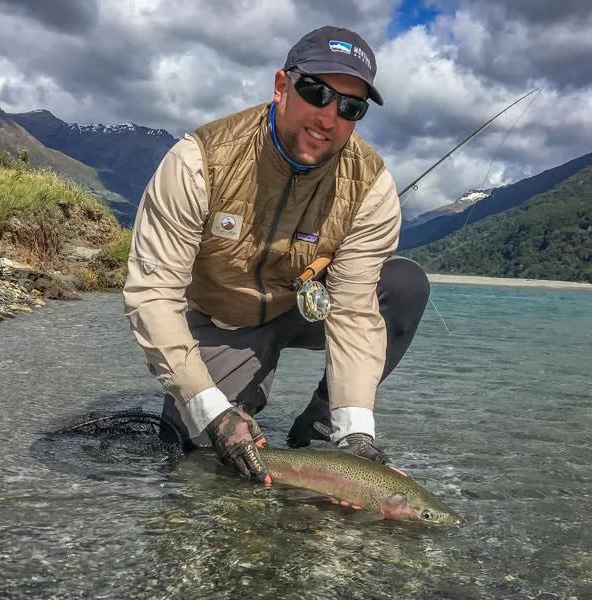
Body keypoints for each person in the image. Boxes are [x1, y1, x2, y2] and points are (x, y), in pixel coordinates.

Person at [123, 26, 430, 485]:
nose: (329, 118)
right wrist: (210, 408)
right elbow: (153, 295)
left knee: (403, 285)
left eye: (350, 107)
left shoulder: (371, 186)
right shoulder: (198, 161)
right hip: (220, 319)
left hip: (301, 310)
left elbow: (353, 312)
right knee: (198, 454)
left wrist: (357, 433)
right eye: (316, 92)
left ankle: (327, 425)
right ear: (281, 85)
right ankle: (229, 402)